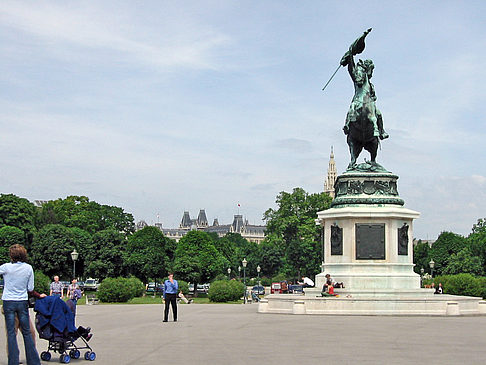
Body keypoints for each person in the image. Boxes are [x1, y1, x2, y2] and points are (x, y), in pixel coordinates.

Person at [0, 244, 41, 365]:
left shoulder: (6, 267)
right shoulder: (28, 268)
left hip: (8, 301)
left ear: (11, 255)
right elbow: (30, 288)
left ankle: (13, 361)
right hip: (22, 301)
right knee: (27, 332)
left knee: (11, 333)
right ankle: (33, 361)